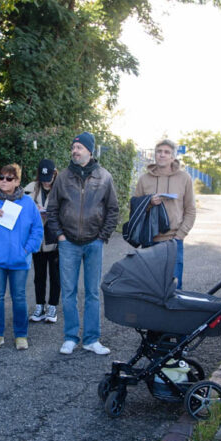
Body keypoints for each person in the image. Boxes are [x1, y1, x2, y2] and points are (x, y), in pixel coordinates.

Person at [46, 131, 119, 356]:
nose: (74, 151)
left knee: (92, 293)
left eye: (79, 148)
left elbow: (113, 209)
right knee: (68, 292)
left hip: (93, 243)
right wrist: (59, 235)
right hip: (68, 243)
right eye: (73, 147)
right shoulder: (63, 177)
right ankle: (70, 337)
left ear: (89, 150)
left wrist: (102, 237)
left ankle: (91, 339)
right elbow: (52, 209)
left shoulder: (104, 177)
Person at [0, 163, 44, 350]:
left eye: (9, 178)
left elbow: (37, 230)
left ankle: (21, 335)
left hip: (20, 260)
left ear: (18, 181)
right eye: (1, 177)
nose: (4, 181)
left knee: (19, 297)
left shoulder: (28, 203)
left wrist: (26, 250)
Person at [132, 139, 197, 288]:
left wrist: (179, 236)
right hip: (149, 241)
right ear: (154, 155)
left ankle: (173, 311)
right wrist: (148, 202)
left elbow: (191, 210)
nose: (162, 155)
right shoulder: (144, 179)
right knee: (149, 288)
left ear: (173, 157)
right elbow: (135, 208)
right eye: (159, 152)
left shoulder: (184, 178)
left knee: (173, 288)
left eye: (167, 152)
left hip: (173, 241)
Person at [24, 159, 61, 323]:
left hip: (55, 237)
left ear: (54, 173)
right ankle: (39, 305)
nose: (46, 182)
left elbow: (68, 210)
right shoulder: (30, 188)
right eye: (43, 178)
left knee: (55, 275)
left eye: (49, 178)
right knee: (39, 275)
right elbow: (21, 208)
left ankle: (52, 306)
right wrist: (34, 210)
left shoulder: (61, 188)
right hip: (37, 239)